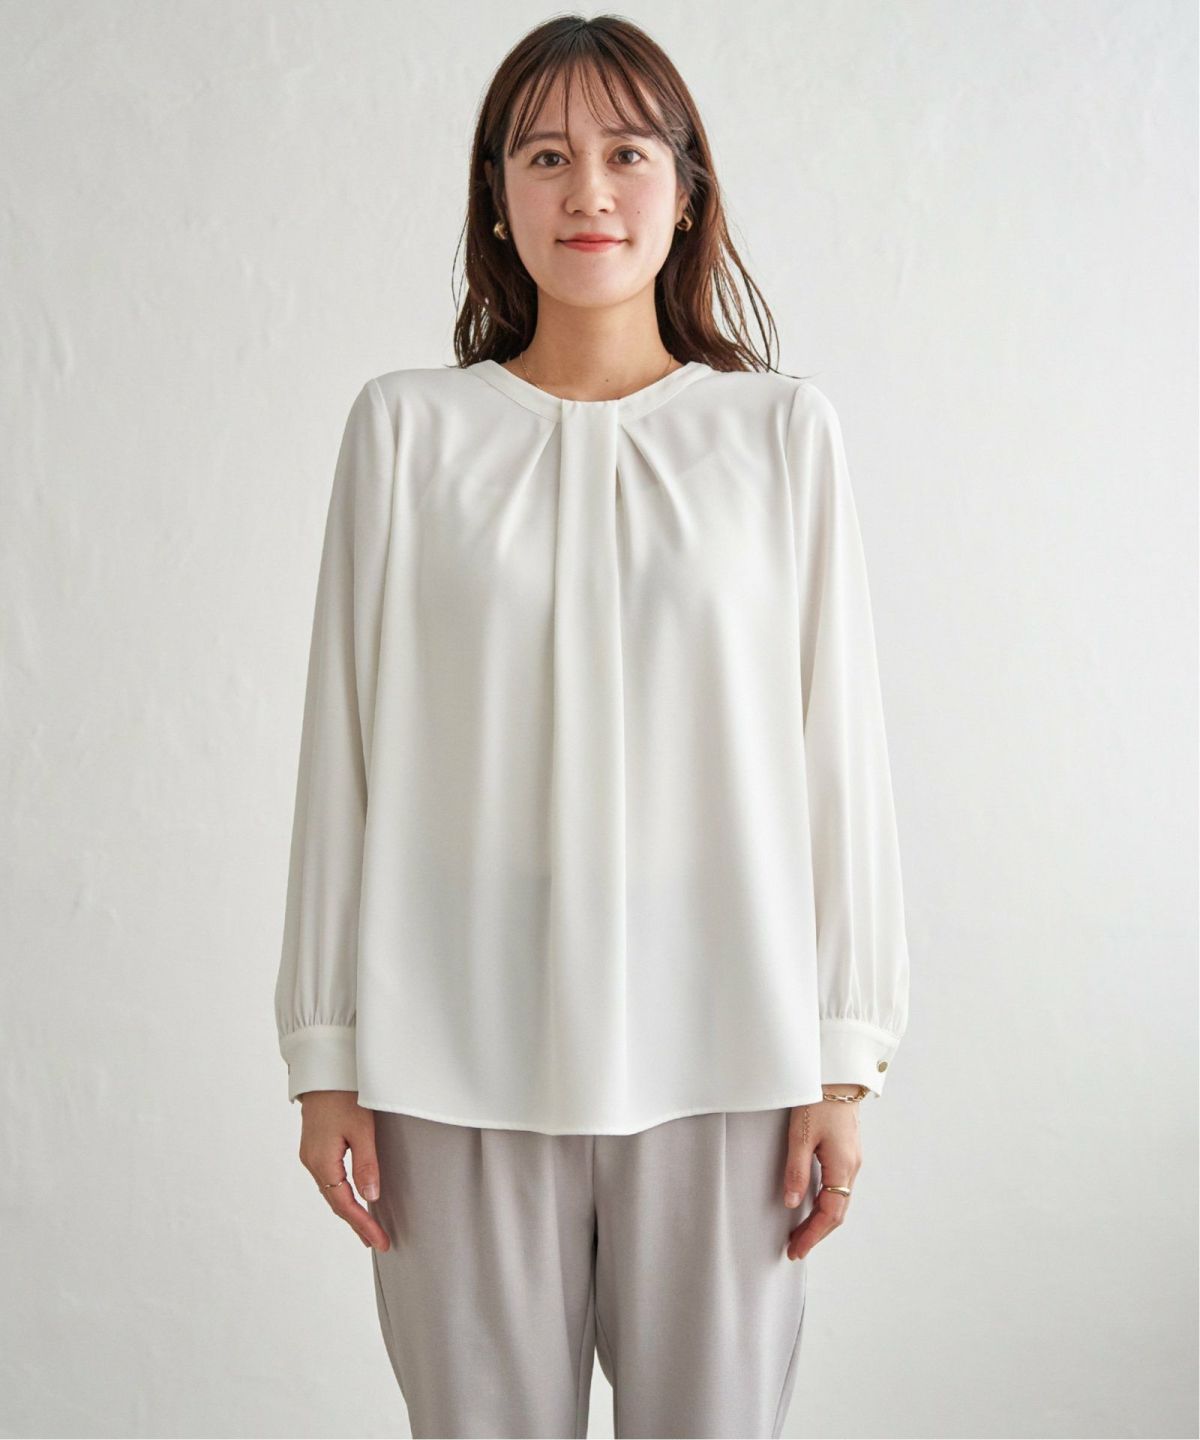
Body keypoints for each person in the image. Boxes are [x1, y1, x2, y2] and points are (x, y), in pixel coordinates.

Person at [274, 14, 911, 1439]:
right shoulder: (406, 433)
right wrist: (326, 1052)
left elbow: (838, 756)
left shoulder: (778, 436)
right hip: (451, 1042)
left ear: (685, 191)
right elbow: (343, 752)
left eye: (627, 154)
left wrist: (843, 1055)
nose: (589, 193)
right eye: (546, 156)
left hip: (729, 1044)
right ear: (497, 196)